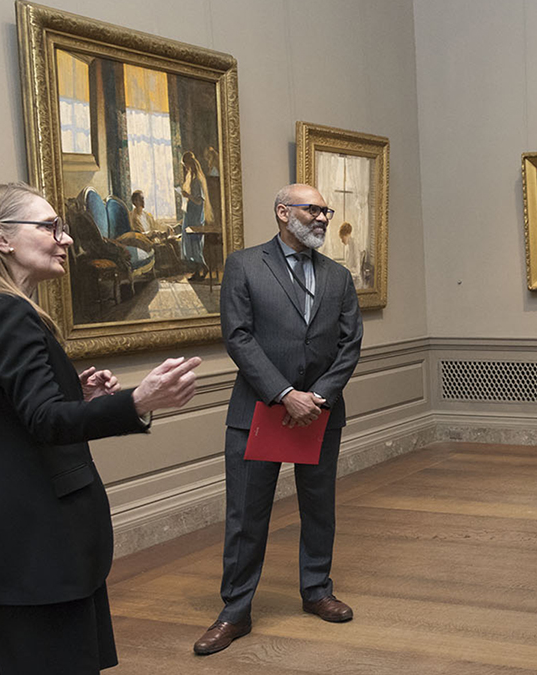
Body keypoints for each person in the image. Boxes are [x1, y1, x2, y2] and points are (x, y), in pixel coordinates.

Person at [0, 183, 201, 673]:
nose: (66, 239)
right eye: (50, 227)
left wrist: (79, 395)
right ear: (1, 238)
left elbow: (12, 414)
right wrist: (136, 401)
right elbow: (45, 420)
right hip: (41, 534)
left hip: (20, 528)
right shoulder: (5, 310)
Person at [194, 184, 363, 656]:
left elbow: (350, 343)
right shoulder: (245, 265)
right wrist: (285, 394)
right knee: (247, 516)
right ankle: (235, 612)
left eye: (326, 211)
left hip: (321, 413)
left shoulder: (337, 275)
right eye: (314, 210)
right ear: (283, 212)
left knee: (319, 508)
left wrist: (319, 396)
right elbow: (239, 336)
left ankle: (317, 591)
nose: (323, 218)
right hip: (259, 412)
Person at [180, 151, 212, 282]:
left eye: (186, 165)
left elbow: (199, 201)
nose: (185, 168)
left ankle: (203, 268)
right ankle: (196, 271)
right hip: (190, 214)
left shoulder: (197, 181)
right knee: (190, 243)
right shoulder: (192, 179)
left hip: (196, 216)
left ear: (190, 164)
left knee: (196, 244)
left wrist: (188, 196)